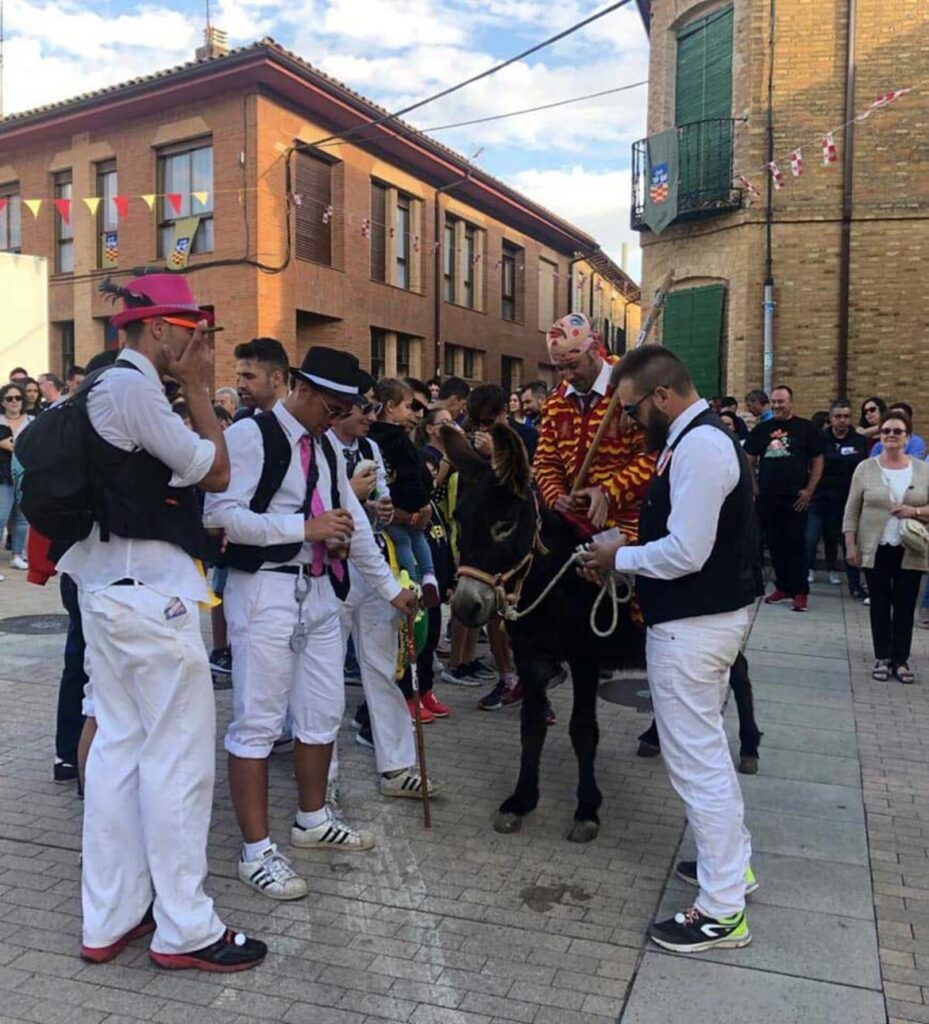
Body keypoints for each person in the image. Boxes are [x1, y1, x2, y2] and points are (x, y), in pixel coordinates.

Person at [58, 273, 266, 971]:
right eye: (191, 333)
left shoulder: (101, 387)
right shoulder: (134, 386)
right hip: (153, 596)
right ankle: (186, 927)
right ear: (157, 329)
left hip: (110, 591)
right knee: (176, 760)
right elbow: (215, 472)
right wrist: (202, 393)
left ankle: (110, 917)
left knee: (119, 752)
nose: (200, 344)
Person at [203, 347, 418, 901]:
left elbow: (357, 528)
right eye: (339, 406)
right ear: (308, 392)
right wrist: (305, 528)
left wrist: (393, 591)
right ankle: (256, 852)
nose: (345, 417)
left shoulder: (324, 448)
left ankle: (313, 818)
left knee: (322, 712)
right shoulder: (252, 436)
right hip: (266, 592)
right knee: (257, 720)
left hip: (321, 591)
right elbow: (220, 516)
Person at [581, 345, 761, 954]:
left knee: (696, 764)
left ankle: (720, 912)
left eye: (632, 411)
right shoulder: (691, 442)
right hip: (700, 618)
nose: (629, 423)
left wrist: (617, 557)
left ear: (661, 397)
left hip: (695, 624)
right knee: (704, 752)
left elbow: (687, 551)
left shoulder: (702, 446)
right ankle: (731, 869)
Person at [327, 374, 443, 784]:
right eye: (367, 409)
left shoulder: (372, 446)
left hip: (375, 561)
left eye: (376, 408)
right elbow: (324, 509)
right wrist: (355, 497)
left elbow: (372, 509)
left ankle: (397, 766)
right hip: (333, 571)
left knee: (384, 669)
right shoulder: (320, 446)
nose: (373, 417)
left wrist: (381, 507)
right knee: (325, 681)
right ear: (341, 407)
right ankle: (323, 784)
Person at [533, 312, 654, 541]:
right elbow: (546, 462)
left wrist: (608, 492)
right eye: (560, 368)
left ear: (594, 350)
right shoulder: (555, 403)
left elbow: (652, 459)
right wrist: (555, 495)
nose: (568, 376)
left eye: (573, 365)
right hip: (571, 526)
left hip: (627, 527)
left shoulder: (631, 391)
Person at [844, 410, 929, 684]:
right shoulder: (866, 468)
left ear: (908, 437)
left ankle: (901, 660)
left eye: (897, 431)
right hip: (875, 546)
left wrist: (914, 512)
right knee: (879, 604)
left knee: (905, 605)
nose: (891, 435)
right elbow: (851, 510)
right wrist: (850, 545)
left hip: (911, 548)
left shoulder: (922, 469)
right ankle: (882, 656)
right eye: (886, 431)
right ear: (879, 436)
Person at [745, 385, 824, 612]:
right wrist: (754, 486)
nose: (778, 405)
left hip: (796, 498)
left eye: (782, 401)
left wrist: (809, 490)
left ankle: (799, 592)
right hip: (768, 498)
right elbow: (749, 456)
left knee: (796, 544)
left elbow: (818, 459)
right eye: (775, 401)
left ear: (791, 402)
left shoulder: (805, 428)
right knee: (775, 544)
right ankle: (783, 587)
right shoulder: (762, 429)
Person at [370, 378, 440, 607]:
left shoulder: (370, 438)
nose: (412, 413)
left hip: (387, 501)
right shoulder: (399, 438)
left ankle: (410, 578)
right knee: (415, 537)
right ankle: (426, 576)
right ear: (390, 407)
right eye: (408, 407)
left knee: (401, 541)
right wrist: (423, 503)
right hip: (406, 503)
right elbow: (413, 472)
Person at [806, 400, 868, 594]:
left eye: (846, 416)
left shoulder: (858, 440)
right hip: (820, 498)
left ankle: (855, 586)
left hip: (847, 500)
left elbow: (861, 467)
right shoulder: (819, 439)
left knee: (848, 543)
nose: (842, 420)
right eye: (838, 416)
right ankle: (805, 572)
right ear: (831, 419)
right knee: (810, 537)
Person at [0, 382, 32, 571]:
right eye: (9, 398)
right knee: (1, 517)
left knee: (22, 519)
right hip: (2, 475)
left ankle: (17, 555)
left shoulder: (33, 421)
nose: (14, 402)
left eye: (18, 398)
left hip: (25, 474)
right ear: (2, 402)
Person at [233, 336, 289, 420]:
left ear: (276, 378)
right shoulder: (241, 418)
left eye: (249, 377)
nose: (241, 385)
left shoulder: (305, 419)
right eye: (239, 376)